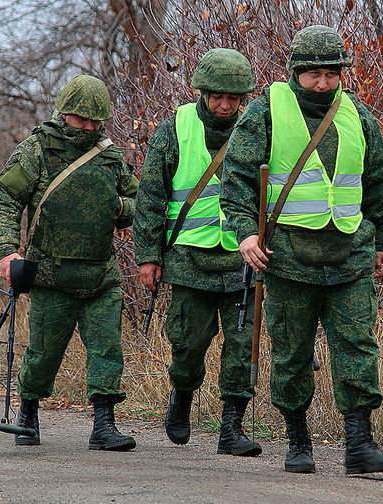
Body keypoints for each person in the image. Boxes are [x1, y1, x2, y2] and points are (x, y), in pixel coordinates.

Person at [220, 26, 383, 474]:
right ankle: (298, 443)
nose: (322, 83)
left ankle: (360, 446)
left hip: (350, 255)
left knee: (358, 347)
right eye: (313, 74)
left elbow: (379, 182)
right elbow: (238, 180)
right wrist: (246, 234)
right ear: (294, 73)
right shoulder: (264, 111)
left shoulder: (358, 115)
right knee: (291, 353)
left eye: (331, 73)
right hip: (287, 259)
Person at [0, 75, 139, 451]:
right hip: (50, 276)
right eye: (80, 119)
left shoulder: (108, 154)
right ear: (64, 113)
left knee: (107, 349)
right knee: (42, 353)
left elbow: (141, 201)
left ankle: (104, 425)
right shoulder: (37, 150)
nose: (88, 128)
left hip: (100, 276)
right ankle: (28, 417)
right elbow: (5, 201)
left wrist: (121, 207)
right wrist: (8, 252)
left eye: (94, 121)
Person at [133, 48, 261, 457]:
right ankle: (182, 396)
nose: (225, 106)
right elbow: (151, 197)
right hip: (189, 260)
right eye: (217, 97)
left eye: (234, 98)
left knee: (243, 345)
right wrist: (148, 256)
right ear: (202, 92)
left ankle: (231, 429)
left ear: (244, 97)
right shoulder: (175, 129)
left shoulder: (258, 129)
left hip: (244, 259)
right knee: (188, 345)